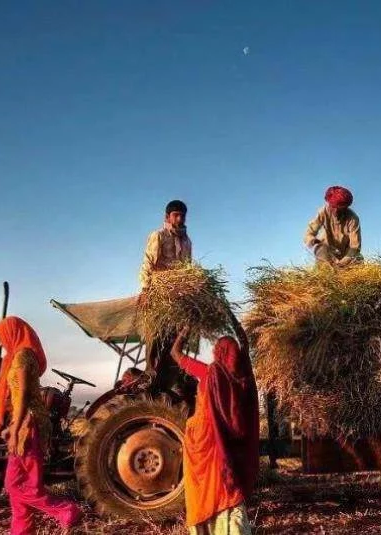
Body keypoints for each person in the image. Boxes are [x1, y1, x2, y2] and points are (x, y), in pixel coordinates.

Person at [170, 312, 259, 535]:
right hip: (229, 446)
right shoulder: (244, 375)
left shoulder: (209, 373)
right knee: (229, 490)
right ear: (236, 354)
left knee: (203, 489)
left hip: (203, 442)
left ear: (217, 353)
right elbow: (245, 342)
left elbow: (175, 353)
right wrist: (230, 316)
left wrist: (185, 329)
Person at [0, 316, 81, 535]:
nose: (2, 343)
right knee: (23, 484)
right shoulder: (26, 355)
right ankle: (22, 531)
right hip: (32, 422)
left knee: (15, 484)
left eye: (3, 337)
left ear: (13, 333)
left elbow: (21, 397)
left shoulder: (21, 357)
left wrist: (14, 430)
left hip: (28, 425)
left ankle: (65, 510)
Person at [138, 199, 194, 394]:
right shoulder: (159, 236)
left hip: (177, 296)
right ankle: (150, 375)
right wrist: (146, 290)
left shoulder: (187, 241)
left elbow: (187, 269)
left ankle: (170, 378)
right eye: (175, 215)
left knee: (175, 337)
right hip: (158, 293)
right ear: (167, 217)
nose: (179, 218)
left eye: (182, 215)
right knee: (155, 334)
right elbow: (148, 263)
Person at [304, 186, 362, 267]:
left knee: (359, 259)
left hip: (346, 254)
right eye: (333, 207)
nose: (336, 211)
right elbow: (310, 231)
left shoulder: (353, 219)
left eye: (340, 208)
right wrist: (312, 239)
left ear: (345, 207)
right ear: (329, 203)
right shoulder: (323, 212)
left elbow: (355, 247)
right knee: (321, 250)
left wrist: (343, 262)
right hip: (327, 251)